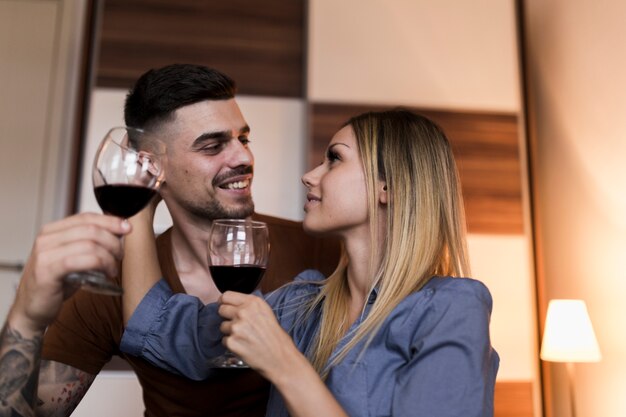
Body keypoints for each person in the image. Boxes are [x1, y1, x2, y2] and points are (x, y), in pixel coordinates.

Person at [0, 64, 340, 416]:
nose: (243, 157)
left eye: (243, 139)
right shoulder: (113, 281)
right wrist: (25, 317)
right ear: (151, 166)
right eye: (212, 146)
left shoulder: (320, 251)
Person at [120, 109, 500, 416]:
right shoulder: (299, 304)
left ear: (389, 187)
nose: (309, 176)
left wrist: (283, 363)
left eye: (335, 159)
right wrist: (137, 207)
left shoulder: (450, 309)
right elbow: (154, 329)